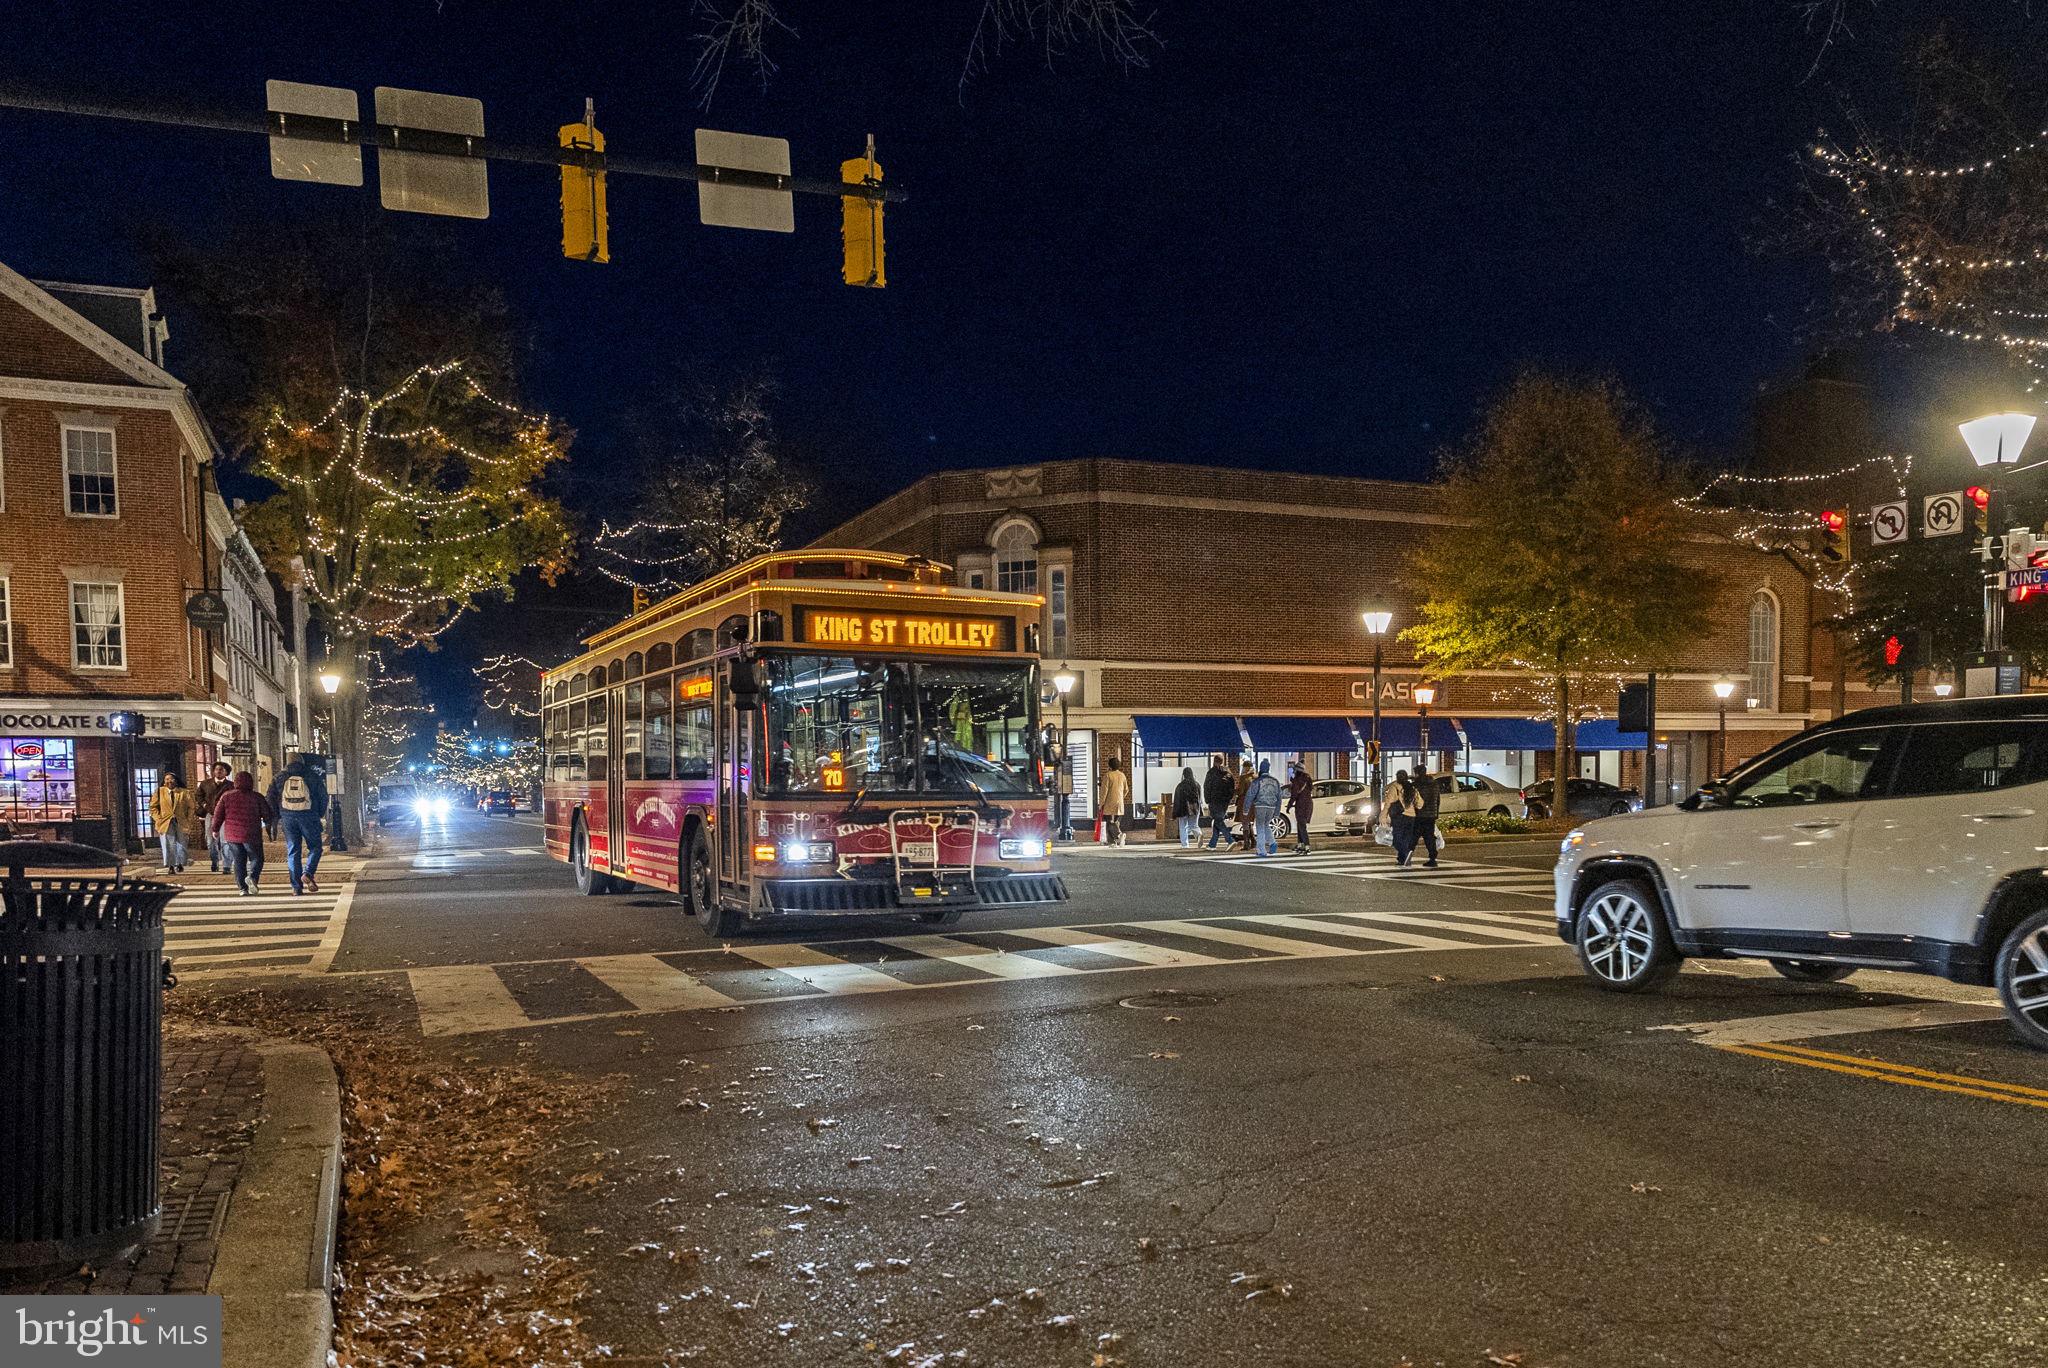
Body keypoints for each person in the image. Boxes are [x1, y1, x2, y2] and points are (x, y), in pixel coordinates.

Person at [268, 755, 331, 895]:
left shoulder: (279, 777)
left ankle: (296, 887)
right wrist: (318, 813)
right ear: (302, 762)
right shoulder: (312, 775)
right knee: (315, 847)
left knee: (293, 850)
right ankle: (308, 873)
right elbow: (323, 796)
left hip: (287, 817)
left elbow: (270, 797)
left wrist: (278, 815)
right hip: (309, 815)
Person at [210, 771, 275, 896]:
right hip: (252, 834)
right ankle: (252, 877)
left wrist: (215, 829)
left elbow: (218, 815)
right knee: (257, 858)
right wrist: (268, 823)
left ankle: (242, 889)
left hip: (232, 835)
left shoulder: (226, 796)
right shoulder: (257, 797)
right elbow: (267, 813)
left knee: (239, 861)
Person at [148, 773, 193, 874]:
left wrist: (189, 819)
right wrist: (158, 819)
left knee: (182, 843)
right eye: (167, 779)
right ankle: (171, 866)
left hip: (181, 821)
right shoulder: (159, 792)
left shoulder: (184, 792)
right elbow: (152, 807)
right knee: (169, 844)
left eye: (171, 779)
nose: (169, 781)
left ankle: (180, 863)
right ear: (164, 782)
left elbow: (191, 807)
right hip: (165, 822)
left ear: (176, 780)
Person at [195, 761, 233, 873]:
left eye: (221, 770)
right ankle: (214, 861)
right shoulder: (205, 784)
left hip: (226, 817)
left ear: (226, 772)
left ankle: (227, 866)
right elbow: (198, 795)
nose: (218, 771)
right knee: (210, 841)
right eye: (216, 769)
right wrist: (204, 804)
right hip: (210, 814)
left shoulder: (231, 785)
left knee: (226, 841)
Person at [1382, 768, 1421, 867]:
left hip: (1399, 817)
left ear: (1397, 777)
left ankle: (1406, 853)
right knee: (1406, 839)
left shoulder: (1394, 787)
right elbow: (1420, 804)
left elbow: (1388, 803)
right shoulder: (1412, 788)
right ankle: (1402, 859)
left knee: (1397, 840)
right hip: (1411, 817)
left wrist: (1383, 816)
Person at [1247, 760, 1284, 857]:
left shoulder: (1258, 781)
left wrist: (1246, 809)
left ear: (1260, 769)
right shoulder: (1275, 781)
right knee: (1266, 825)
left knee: (1260, 826)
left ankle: (1261, 850)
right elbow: (1279, 797)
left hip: (1260, 805)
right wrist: (1277, 811)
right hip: (1271, 807)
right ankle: (1272, 842)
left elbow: (1250, 795)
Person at [1202, 754, 1234, 850]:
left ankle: (1230, 840)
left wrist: (1207, 799)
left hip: (1214, 800)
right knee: (1218, 820)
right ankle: (1212, 844)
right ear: (1222, 761)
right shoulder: (1228, 772)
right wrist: (1229, 798)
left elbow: (1207, 787)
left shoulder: (1211, 772)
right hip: (1224, 801)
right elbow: (1232, 787)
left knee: (1218, 820)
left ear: (1214, 761)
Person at [1097, 755, 1130, 846]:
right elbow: (1126, 789)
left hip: (1109, 803)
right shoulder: (1122, 775)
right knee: (1116, 822)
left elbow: (1104, 791)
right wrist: (1121, 797)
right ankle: (1112, 842)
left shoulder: (1108, 776)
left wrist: (1101, 803)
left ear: (1110, 765)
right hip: (1120, 803)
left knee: (1111, 822)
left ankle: (1119, 835)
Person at [1416, 769, 1443, 868]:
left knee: (1414, 836)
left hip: (1420, 815)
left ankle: (1406, 856)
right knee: (1429, 837)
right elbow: (1438, 800)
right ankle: (1433, 858)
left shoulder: (1418, 785)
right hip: (1431, 815)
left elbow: (1415, 800)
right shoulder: (1434, 785)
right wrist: (1435, 813)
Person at [1171, 766, 1204, 849]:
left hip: (1183, 809)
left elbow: (1177, 800)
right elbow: (1199, 799)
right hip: (1195, 808)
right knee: (1194, 825)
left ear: (1184, 775)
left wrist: (1174, 814)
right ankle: (1198, 834)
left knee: (1183, 827)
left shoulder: (1180, 786)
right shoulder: (1197, 785)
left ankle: (1185, 845)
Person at [1287, 761, 1315, 855]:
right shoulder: (1307, 778)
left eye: (1294, 770)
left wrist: (1289, 805)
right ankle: (1300, 845)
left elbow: (1294, 795)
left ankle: (1307, 847)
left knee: (1302, 826)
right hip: (1309, 804)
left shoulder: (1297, 780)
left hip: (1300, 805)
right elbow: (1311, 789)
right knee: (1301, 825)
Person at [1232, 759, 1256, 850]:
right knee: (1249, 821)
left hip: (1244, 801)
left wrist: (1234, 792)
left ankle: (1247, 843)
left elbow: (1241, 791)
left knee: (1245, 822)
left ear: (1246, 767)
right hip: (1253, 802)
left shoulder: (1243, 778)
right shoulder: (1255, 777)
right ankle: (1253, 841)